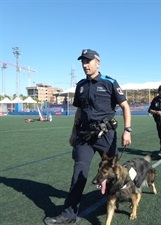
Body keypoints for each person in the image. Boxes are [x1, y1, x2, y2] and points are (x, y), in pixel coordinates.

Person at [44, 49, 132, 225]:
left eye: (88, 61)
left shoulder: (110, 82)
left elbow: (125, 106)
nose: (85, 65)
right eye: (83, 62)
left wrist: (127, 129)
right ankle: (68, 215)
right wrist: (74, 132)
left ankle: (121, 198)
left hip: (106, 135)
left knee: (114, 173)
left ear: (97, 63)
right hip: (84, 136)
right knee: (79, 174)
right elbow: (79, 111)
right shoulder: (81, 85)